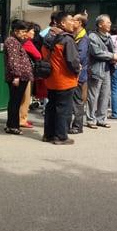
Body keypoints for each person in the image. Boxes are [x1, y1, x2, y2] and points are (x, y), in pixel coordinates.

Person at [42, 11, 80, 144]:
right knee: (63, 109)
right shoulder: (67, 39)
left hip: (51, 78)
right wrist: (78, 69)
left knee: (51, 107)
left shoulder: (48, 37)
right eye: (71, 20)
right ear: (63, 23)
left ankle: (48, 134)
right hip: (65, 79)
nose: (74, 23)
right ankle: (60, 136)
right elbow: (72, 61)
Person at [86, 14, 117, 129]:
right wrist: (112, 56)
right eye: (107, 22)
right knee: (93, 95)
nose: (110, 24)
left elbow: (112, 50)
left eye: (110, 22)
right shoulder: (92, 36)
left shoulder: (108, 36)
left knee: (105, 95)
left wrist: (114, 58)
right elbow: (96, 52)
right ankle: (90, 119)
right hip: (96, 69)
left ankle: (101, 119)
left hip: (107, 69)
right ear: (100, 24)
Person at [3, 19, 34, 135]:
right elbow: (13, 60)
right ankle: (13, 126)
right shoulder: (12, 42)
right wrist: (16, 76)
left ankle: (10, 124)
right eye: (23, 31)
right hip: (18, 77)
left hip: (21, 76)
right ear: (16, 31)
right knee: (15, 102)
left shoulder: (15, 41)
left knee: (14, 101)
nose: (25, 34)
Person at [18, 22, 41, 129]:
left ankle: (23, 118)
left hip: (22, 72)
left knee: (23, 97)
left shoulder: (21, 41)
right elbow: (38, 55)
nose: (33, 33)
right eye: (32, 31)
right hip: (26, 72)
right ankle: (22, 119)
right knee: (26, 97)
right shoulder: (27, 42)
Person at [70, 13, 89, 134]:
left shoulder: (83, 38)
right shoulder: (75, 35)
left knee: (77, 101)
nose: (71, 22)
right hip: (75, 73)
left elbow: (80, 56)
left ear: (80, 23)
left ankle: (77, 126)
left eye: (74, 20)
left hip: (79, 74)